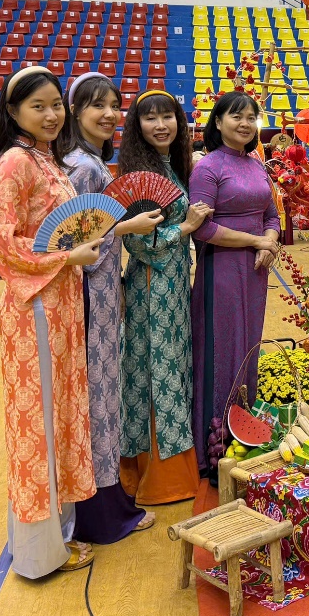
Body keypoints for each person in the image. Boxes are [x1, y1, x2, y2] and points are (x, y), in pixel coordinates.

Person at [0, 66, 101, 577]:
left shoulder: (46, 159)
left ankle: (60, 537)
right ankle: (38, 554)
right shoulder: (15, 161)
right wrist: (65, 257)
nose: (51, 115)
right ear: (13, 112)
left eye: (56, 105)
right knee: (39, 424)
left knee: (61, 418)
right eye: (38, 106)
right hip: (35, 310)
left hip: (62, 304)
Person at [57, 73, 160, 543]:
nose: (109, 114)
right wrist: (127, 227)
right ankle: (101, 511)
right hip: (86, 293)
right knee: (97, 397)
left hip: (98, 291)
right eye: (97, 105)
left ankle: (104, 500)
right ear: (75, 112)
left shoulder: (89, 161)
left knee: (100, 394)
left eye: (114, 105)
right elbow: (76, 241)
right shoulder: (84, 167)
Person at [118, 90, 212, 503]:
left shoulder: (171, 166)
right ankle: (159, 477)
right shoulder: (139, 175)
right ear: (136, 126)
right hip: (151, 286)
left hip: (173, 286)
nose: (160, 125)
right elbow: (138, 243)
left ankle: (176, 468)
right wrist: (185, 228)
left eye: (167, 116)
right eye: (150, 118)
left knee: (173, 367)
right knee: (157, 372)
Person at [190, 91, 282, 480]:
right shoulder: (207, 167)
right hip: (222, 269)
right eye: (235, 116)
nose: (244, 123)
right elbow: (202, 229)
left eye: (250, 117)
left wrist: (270, 241)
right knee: (222, 352)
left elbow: (272, 214)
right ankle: (215, 452)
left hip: (256, 271)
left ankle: (246, 443)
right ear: (218, 121)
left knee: (248, 351)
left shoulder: (257, 164)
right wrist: (255, 241)